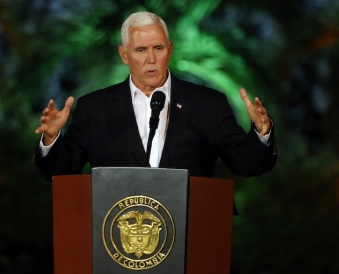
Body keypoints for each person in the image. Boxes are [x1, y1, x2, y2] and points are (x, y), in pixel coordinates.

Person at [33, 11, 277, 182]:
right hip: (115, 241)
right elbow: (62, 172)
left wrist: (262, 133)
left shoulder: (208, 105)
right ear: (124, 55)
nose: (151, 59)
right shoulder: (94, 108)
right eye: (141, 50)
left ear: (169, 50)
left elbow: (246, 164)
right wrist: (52, 139)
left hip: (189, 236)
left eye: (158, 48)